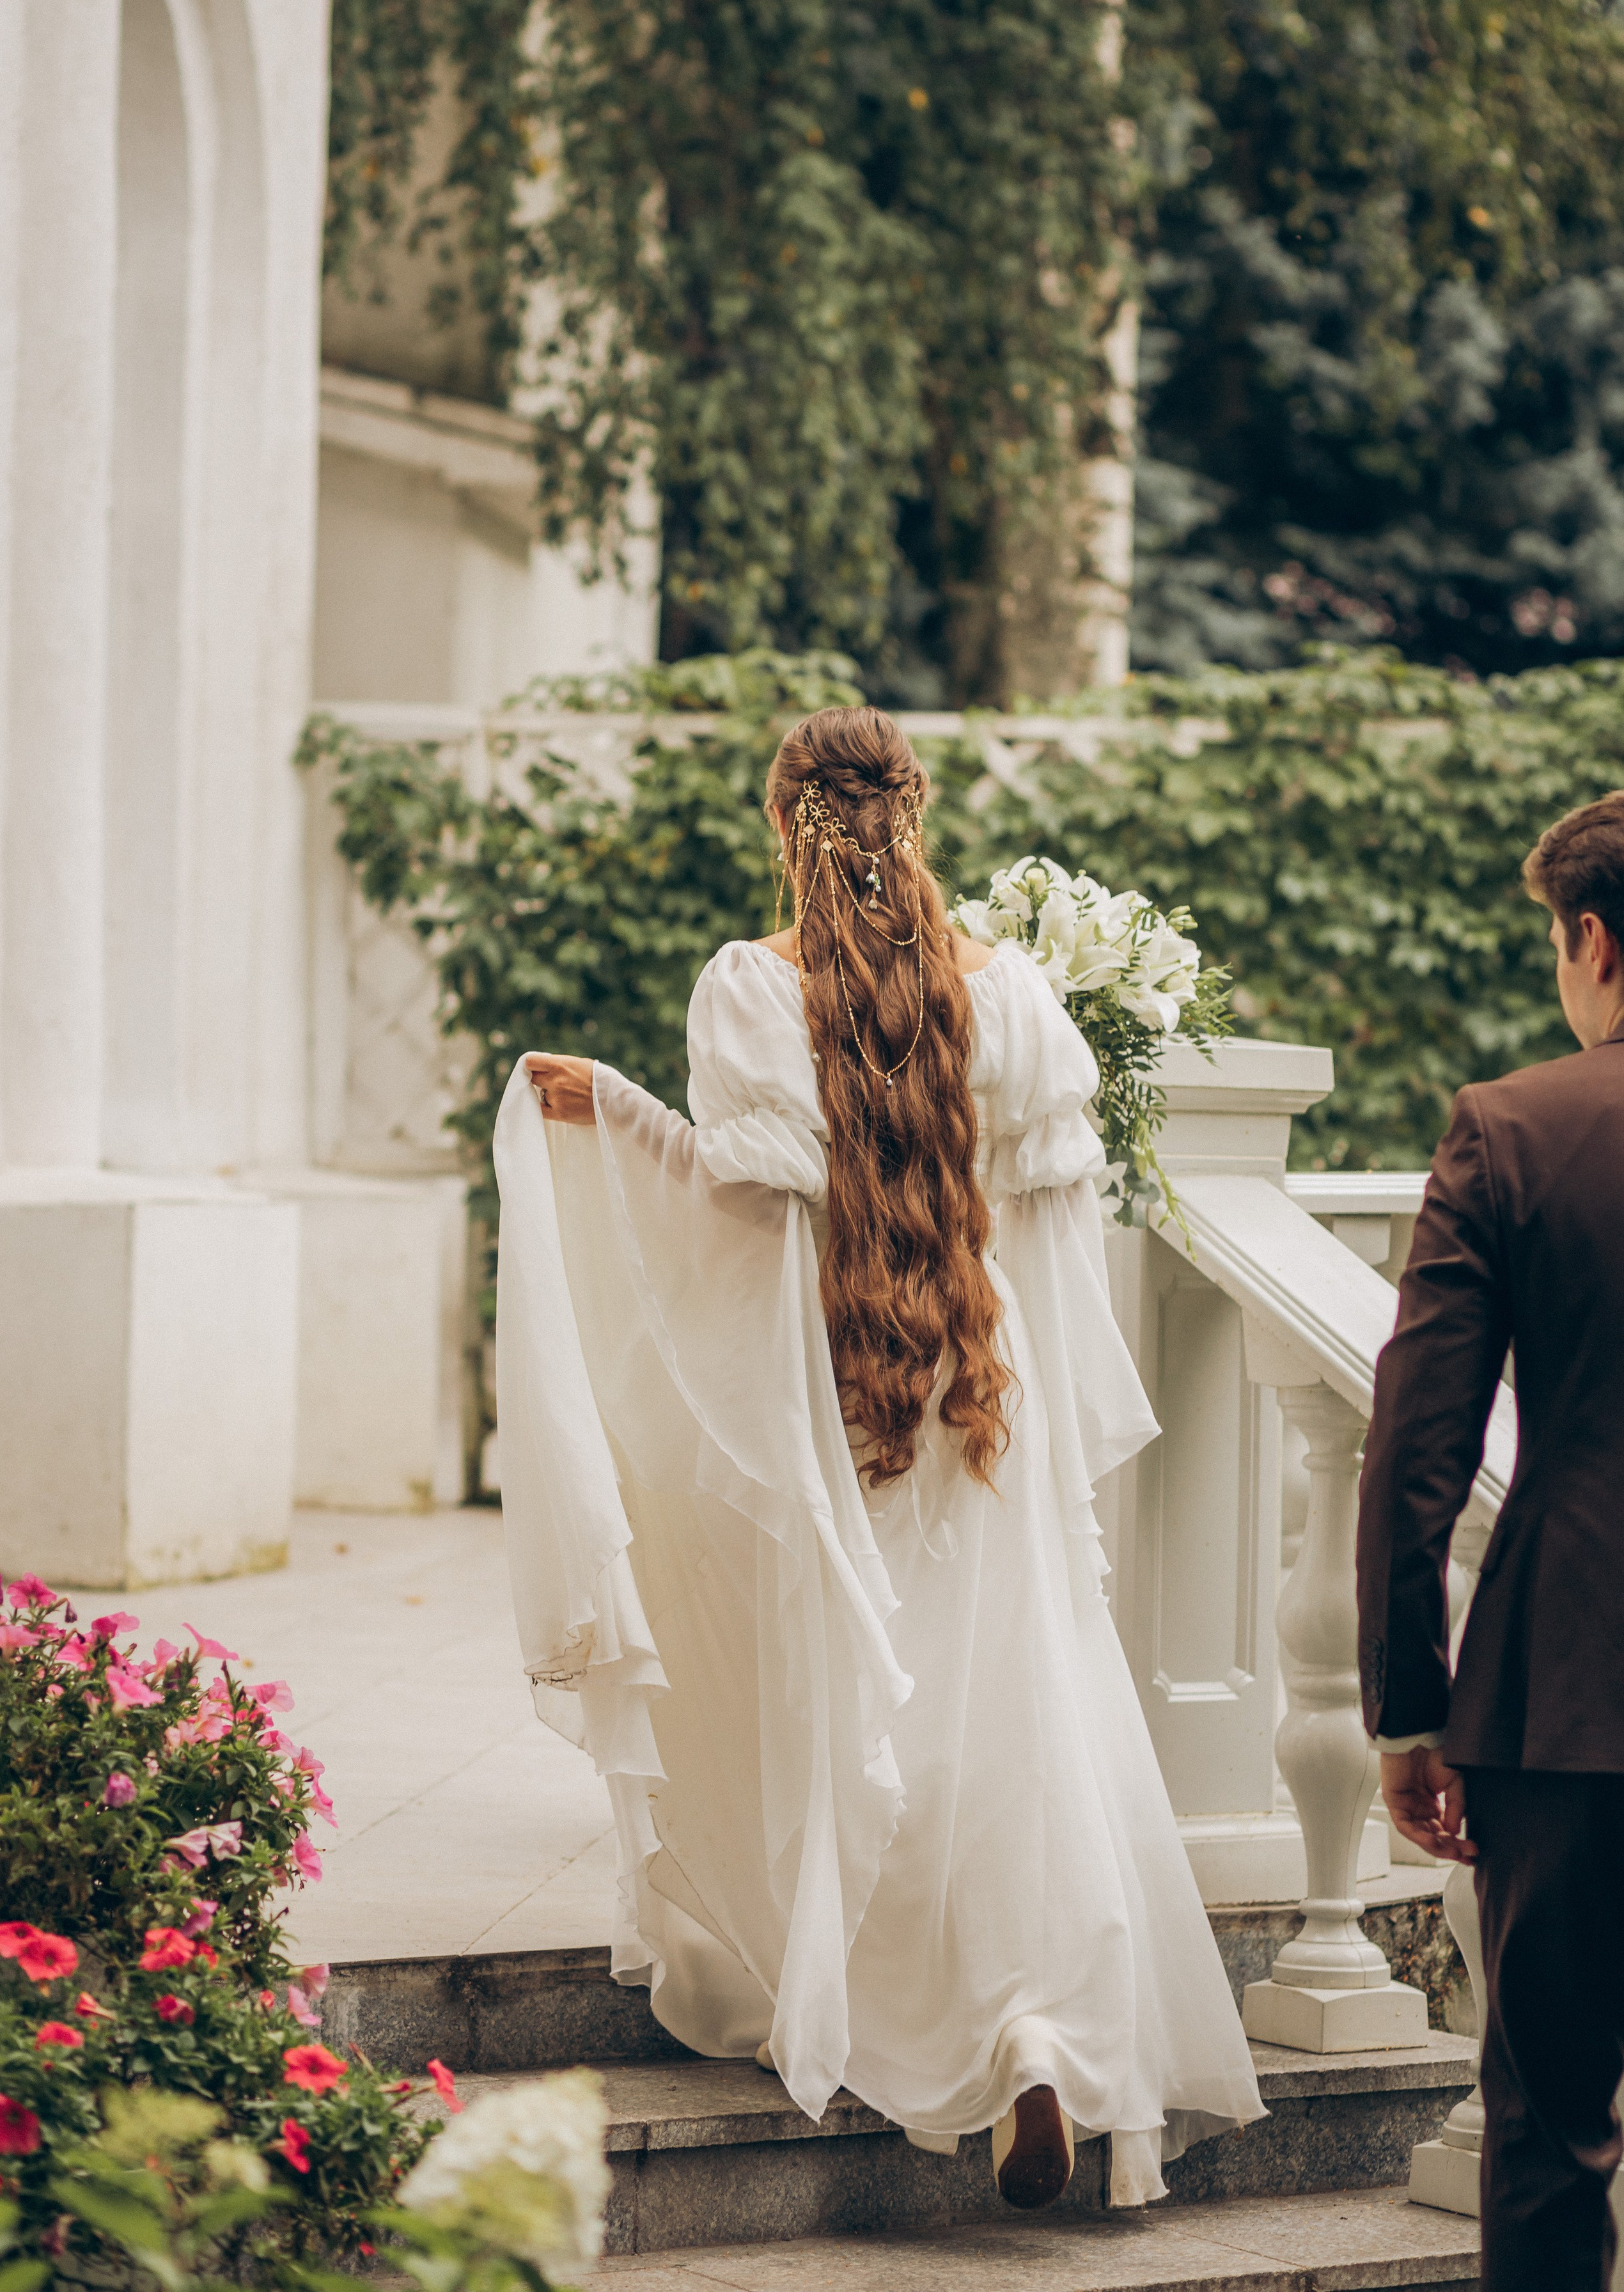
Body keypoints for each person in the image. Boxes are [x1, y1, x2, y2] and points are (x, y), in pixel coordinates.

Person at [497, 705, 1263, 2210]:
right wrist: (1029, 1431)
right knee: (1016, 1729)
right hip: (987, 1410)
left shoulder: (753, 990)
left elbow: (750, 1221)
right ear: (913, 815)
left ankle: (912, 2017)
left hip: (847, 1411)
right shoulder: (1017, 1001)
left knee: (875, 1729)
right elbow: (1053, 1250)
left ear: (785, 823)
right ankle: (1036, 2032)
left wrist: (626, 1123)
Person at [1357, 791, 1624, 2291]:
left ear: (1588, 938)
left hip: (1557, 1698)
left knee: (1544, 2131)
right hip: (1555, 1704)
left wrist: (1407, 1703)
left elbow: (1416, 1453)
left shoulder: (1509, 1128)